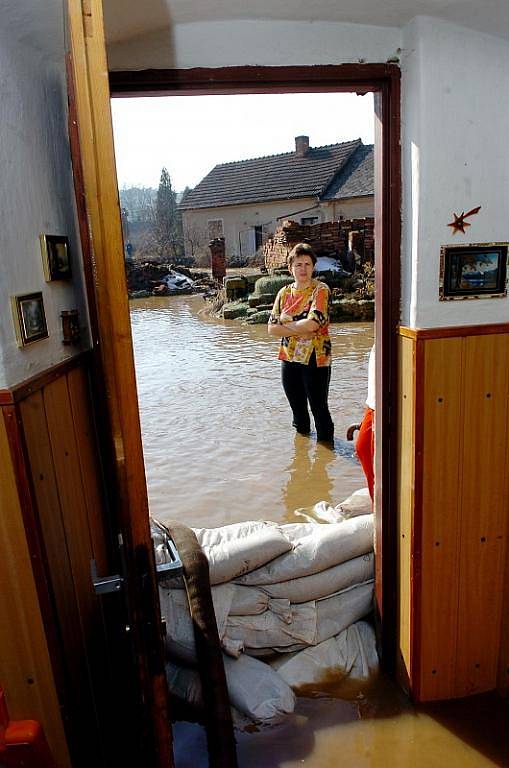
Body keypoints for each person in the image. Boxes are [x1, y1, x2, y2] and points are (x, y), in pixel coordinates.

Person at [268, 243, 334, 443]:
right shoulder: (284, 293)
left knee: (318, 407)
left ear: (313, 267)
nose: (303, 269)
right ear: (291, 268)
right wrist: (300, 326)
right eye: (298, 264)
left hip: (316, 357)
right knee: (297, 408)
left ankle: (326, 456)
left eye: (307, 264)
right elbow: (271, 328)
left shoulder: (320, 290)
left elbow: (314, 323)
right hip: (289, 356)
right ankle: (302, 455)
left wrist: (287, 325)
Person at [347, 344, 375, 502]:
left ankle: (381, 514)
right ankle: (378, 510)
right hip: (374, 402)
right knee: (364, 449)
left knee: (368, 451)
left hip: (382, 403)